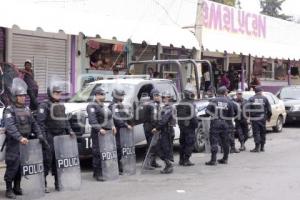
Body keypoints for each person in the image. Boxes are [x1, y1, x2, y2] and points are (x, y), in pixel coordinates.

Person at [3, 79, 46, 199]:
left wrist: (40, 135)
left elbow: (34, 124)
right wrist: (19, 137)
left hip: (25, 142)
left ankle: (17, 187)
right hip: (14, 143)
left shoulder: (27, 110)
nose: (23, 98)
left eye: (24, 95)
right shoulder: (9, 110)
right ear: (15, 97)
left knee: (21, 166)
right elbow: (10, 126)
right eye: (20, 96)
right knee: (12, 165)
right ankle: (9, 189)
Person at [37, 84, 75, 192]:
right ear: (50, 93)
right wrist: (43, 138)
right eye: (56, 93)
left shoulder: (61, 105)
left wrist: (70, 130)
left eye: (59, 93)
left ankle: (58, 183)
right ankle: (43, 184)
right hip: (50, 136)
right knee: (47, 160)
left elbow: (65, 120)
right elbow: (40, 123)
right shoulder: (44, 105)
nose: (58, 95)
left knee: (60, 160)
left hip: (61, 136)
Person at [87, 86, 116, 181]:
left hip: (107, 133)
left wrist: (112, 126)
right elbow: (92, 121)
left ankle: (104, 170)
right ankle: (97, 173)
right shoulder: (92, 106)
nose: (104, 96)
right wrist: (99, 129)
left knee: (106, 152)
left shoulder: (104, 106)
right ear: (96, 95)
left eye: (104, 94)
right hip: (98, 133)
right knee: (97, 153)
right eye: (102, 94)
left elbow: (109, 117)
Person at [205, 86, 234, 166]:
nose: (227, 93)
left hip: (215, 123)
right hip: (225, 123)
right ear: (224, 92)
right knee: (225, 141)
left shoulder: (214, 100)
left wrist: (214, 115)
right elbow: (231, 114)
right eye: (226, 91)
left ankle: (213, 160)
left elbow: (207, 111)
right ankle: (225, 159)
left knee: (214, 141)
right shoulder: (229, 101)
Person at [109, 89, 133, 175]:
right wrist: (126, 125)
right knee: (117, 148)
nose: (123, 97)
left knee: (121, 149)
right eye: (121, 96)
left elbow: (124, 116)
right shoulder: (112, 106)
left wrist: (130, 119)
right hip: (116, 131)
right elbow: (117, 119)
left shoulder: (120, 105)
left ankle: (119, 166)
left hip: (122, 131)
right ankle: (116, 167)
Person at [151, 91, 175, 174]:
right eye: (163, 97)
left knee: (166, 149)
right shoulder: (164, 107)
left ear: (169, 98)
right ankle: (168, 164)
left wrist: (156, 128)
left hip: (167, 131)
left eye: (165, 97)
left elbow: (164, 120)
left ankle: (169, 166)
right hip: (163, 131)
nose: (163, 99)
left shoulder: (169, 108)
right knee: (159, 148)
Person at [247, 86, 272, 152]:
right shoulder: (265, 98)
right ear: (260, 92)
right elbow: (269, 110)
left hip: (254, 118)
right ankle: (262, 147)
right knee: (262, 132)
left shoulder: (251, 99)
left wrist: (248, 117)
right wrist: (268, 117)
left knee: (256, 132)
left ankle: (257, 147)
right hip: (262, 118)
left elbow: (247, 109)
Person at [142, 88, 162, 169]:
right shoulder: (153, 105)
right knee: (152, 146)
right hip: (151, 128)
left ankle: (153, 162)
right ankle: (147, 164)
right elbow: (154, 118)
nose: (159, 97)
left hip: (147, 127)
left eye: (158, 95)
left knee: (154, 145)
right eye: (156, 95)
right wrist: (156, 127)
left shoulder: (150, 104)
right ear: (152, 96)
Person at [177, 89, 198, 166]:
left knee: (182, 143)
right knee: (190, 143)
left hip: (182, 126)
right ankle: (186, 160)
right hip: (189, 126)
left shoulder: (180, 102)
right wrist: (196, 125)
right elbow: (193, 116)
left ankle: (181, 160)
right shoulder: (191, 104)